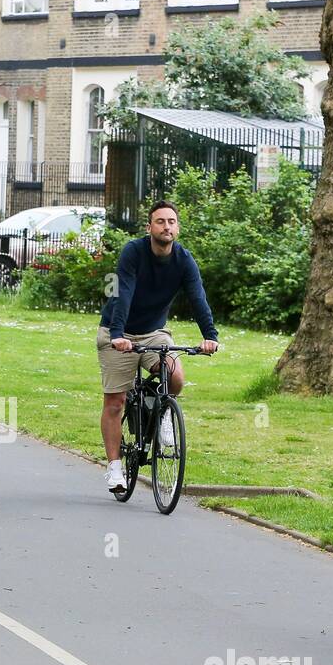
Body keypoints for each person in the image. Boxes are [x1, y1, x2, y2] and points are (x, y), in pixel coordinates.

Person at [98, 200, 219, 493]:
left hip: (154, 333)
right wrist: (117, 334)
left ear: (177, 227)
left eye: (172, 221)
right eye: (161, 221)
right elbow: (121, 292)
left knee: (175, 376)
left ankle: (163, 411)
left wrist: (210, 336)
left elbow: (197, 297)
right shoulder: (133, 252)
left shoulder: (184, 260)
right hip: (118, 331)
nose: (167, 226)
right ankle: (115, 469)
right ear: (149, 227)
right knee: (115, 402)